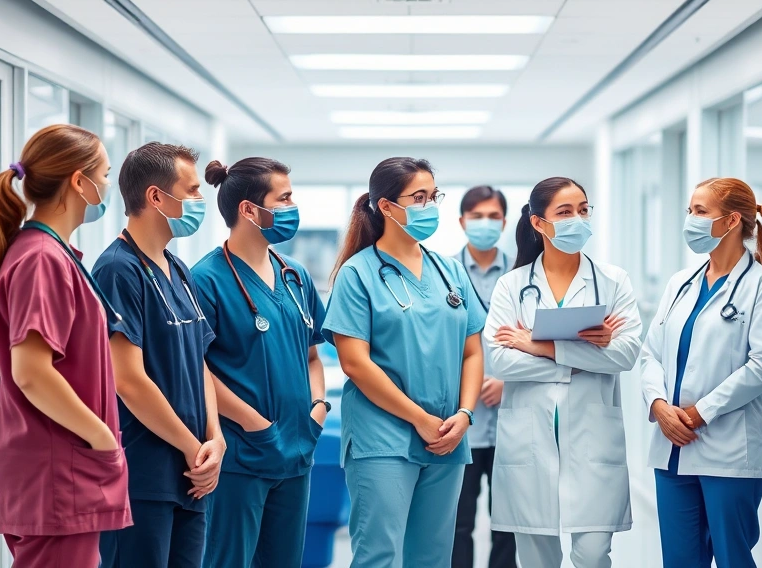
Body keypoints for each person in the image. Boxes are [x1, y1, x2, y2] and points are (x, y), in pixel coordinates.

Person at [0, 124, 132, 567]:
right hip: (57, 470)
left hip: (55, 468)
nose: (107, 187)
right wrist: (102, 439)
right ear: (80, 182)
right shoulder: (41, 258)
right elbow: (32, 372)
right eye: (104, 174)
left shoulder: (49, 253)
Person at [322, 157, 485, 568]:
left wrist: (464, 414)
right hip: (383, 439)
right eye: (419, 197)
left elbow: (472, 350)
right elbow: (355, 364)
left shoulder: (449, 272)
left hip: (448, 434)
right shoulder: (357, 274)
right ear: (387, 207)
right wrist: (418, 417)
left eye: (434, 196)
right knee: (380, 556)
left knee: (432, 557)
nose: (429, 206)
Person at [484, 177, 642, 568]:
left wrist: (541, 347)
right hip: (529, 444)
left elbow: (624, 355)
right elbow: (500, 361)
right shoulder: (512, 285)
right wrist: (584, 355)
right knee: (537, 560)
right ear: (539, 223)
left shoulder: (613, 281)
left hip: (592, 441)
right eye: (565, 212)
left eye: (584, 210)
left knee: (591, 556)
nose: (578, 219)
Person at [641, 178, 762, 568]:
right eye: (690, 210)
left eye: (700, 211)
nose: (690, 219)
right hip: (672, 448)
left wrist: (698, 412)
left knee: (733, 558)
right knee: (680, 561)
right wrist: (658, 405)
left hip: (729, 451)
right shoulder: (679, 284)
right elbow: (650, 354)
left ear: (732, 220)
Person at [192, 157, 327, 568]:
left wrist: (317, 409)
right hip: (242, 453)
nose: (292, 208)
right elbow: (197, 370)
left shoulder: (295, 275)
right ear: (250, 210)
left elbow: (312, 354)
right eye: (283, 198)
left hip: (297, 449)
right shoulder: (206, 279)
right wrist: (254, 423)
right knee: (229, 560)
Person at [94, 143, 224, 568]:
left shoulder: (177, 269)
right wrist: (192, 447)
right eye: (191, 191)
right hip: (144, 475)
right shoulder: (117, 270)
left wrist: (214, 438)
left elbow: (198, 359)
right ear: (155, 197)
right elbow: (127, 381)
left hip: (192, 475)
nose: (200, 202)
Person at [451, 185, 518, 568]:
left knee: (507, 523)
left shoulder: (523, 275)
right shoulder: (444, 273)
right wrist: (469, 387)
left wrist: (510, 381)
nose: (485, 224)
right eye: (476, 216)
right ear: (461, 222)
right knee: (456, 523)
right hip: (463, 419)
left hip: (513, 418)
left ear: (505, 222)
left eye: (493, 217)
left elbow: (541, 339)